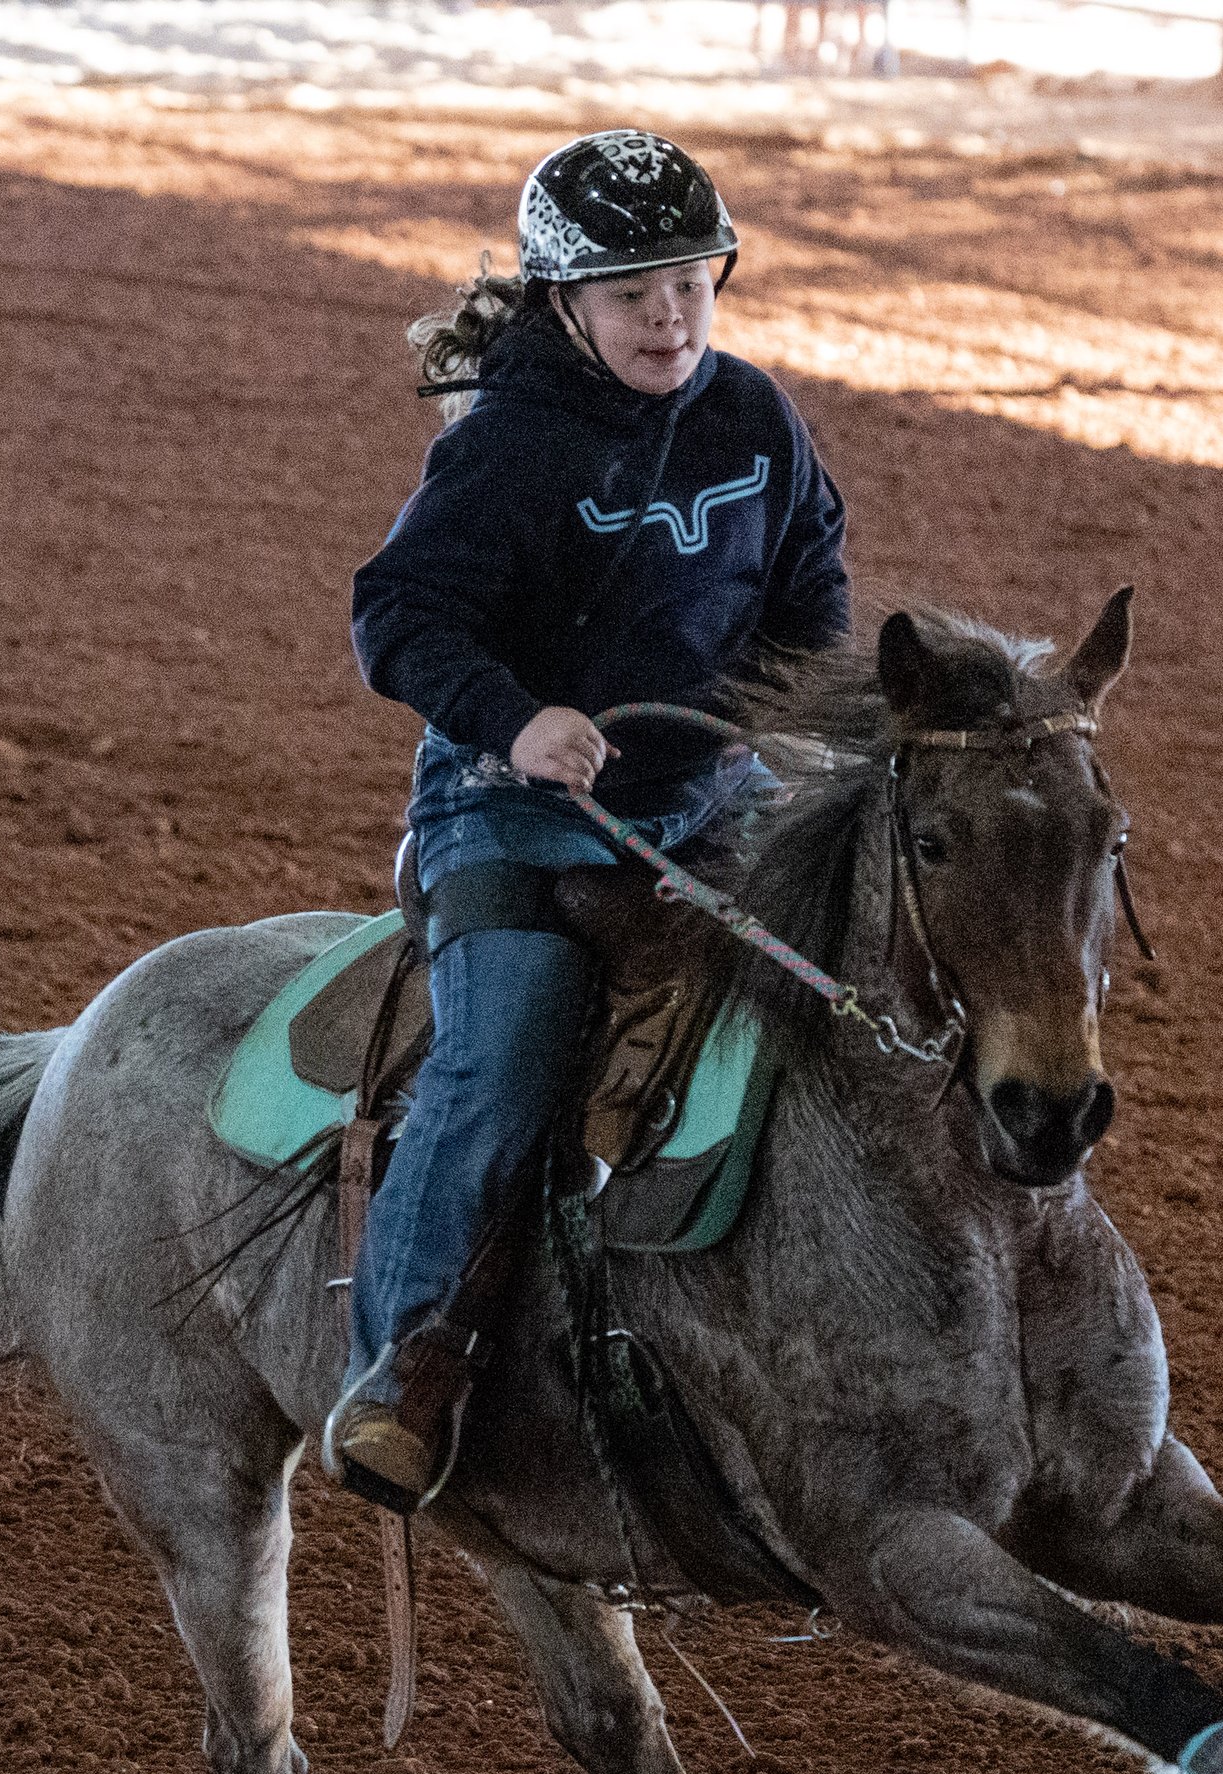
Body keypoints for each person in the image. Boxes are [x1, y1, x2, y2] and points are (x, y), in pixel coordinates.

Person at [326, 129, 851, 1511]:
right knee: (501, 1064)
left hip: (705, 795)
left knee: (858, 994)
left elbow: (812, 588)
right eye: (634, 295)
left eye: (691, 284)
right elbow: (400, 617)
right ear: (566, 304)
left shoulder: (756, 420)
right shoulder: (510, 448)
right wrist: (517, 721)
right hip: (511, 809)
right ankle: (409, 1365)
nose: (669, 317)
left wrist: (789, 715)